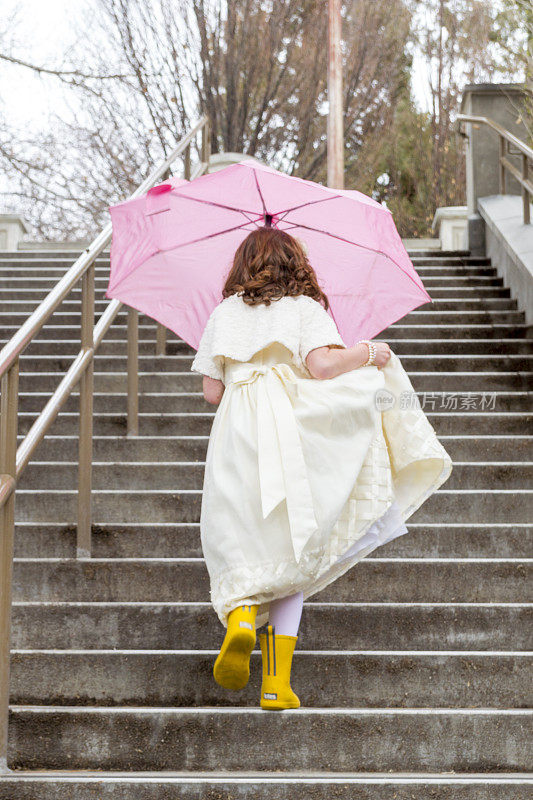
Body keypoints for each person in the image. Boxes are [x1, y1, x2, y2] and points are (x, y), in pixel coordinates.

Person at [190, 227, 453, 711]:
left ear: (241, 266)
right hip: (288, 429)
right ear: (297, 264)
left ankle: (243, 618)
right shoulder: (305, 309)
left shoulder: (223, 314)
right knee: (294, 547)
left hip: (235, 433)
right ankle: (276, 684)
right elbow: (323, 368)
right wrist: (371, 352)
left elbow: (211, 392)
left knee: (241, 532)